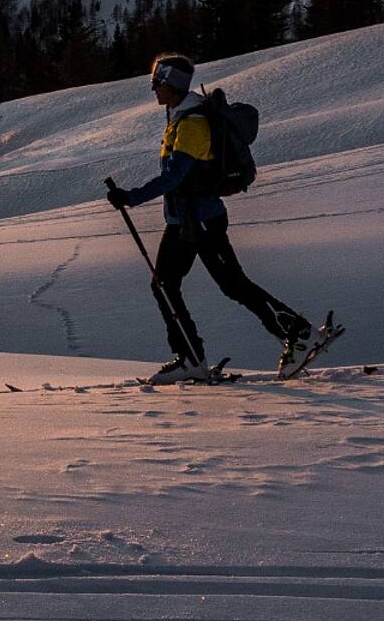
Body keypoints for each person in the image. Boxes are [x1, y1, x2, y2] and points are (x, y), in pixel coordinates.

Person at [106, 53, 310, 384]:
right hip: (186, 222)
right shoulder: (180, 117)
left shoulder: (192, 124)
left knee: (231, 285)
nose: (153, 89)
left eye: (156, 82)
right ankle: (191, 356)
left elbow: (175, 177)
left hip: (199, 222)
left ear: (171, 84)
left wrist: (131, 197)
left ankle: (298, 333)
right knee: (166, 284)